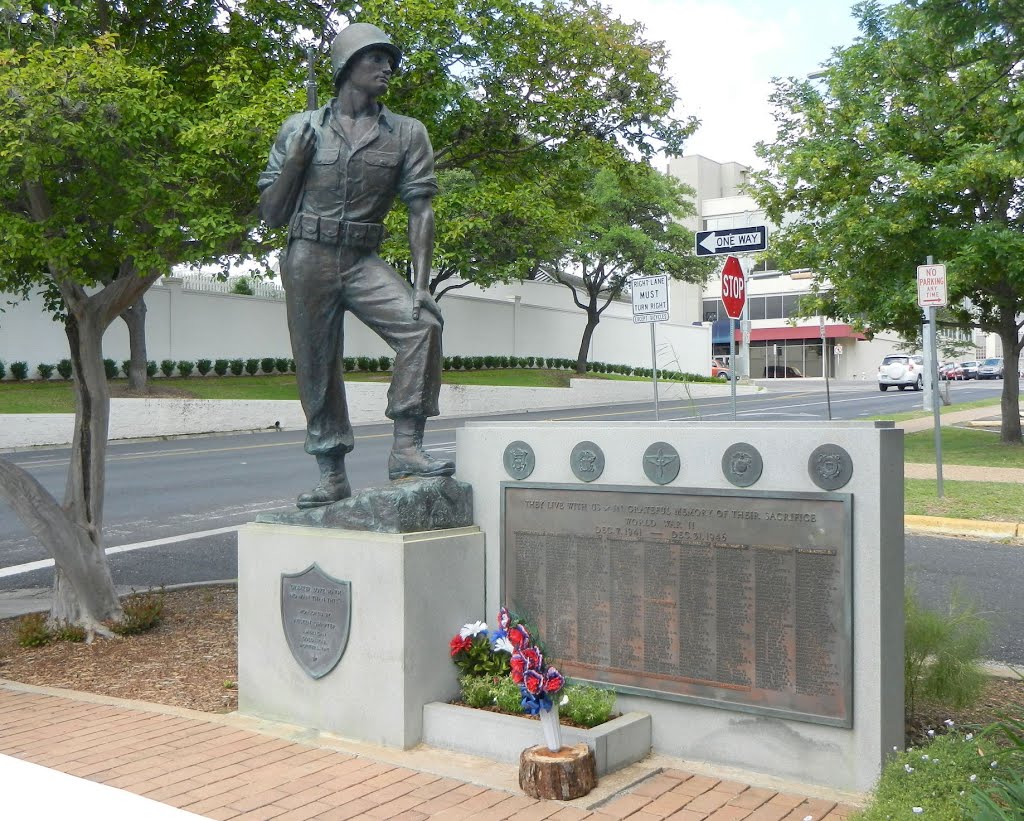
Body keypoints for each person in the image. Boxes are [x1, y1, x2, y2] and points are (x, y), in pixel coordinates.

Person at [258, 23, 454, 509]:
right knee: (316, 365)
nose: (387, 68)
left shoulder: (408, 133)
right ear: (347, 67)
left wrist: (422, 284)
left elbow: (420, 209)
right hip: (308, 257)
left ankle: (407, 447)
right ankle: (331, 472)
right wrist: (294, 163)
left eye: (390, 60)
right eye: (376, 59)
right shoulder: (300, 129)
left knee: (422, 325)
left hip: (362, 258)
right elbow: (272, 213)